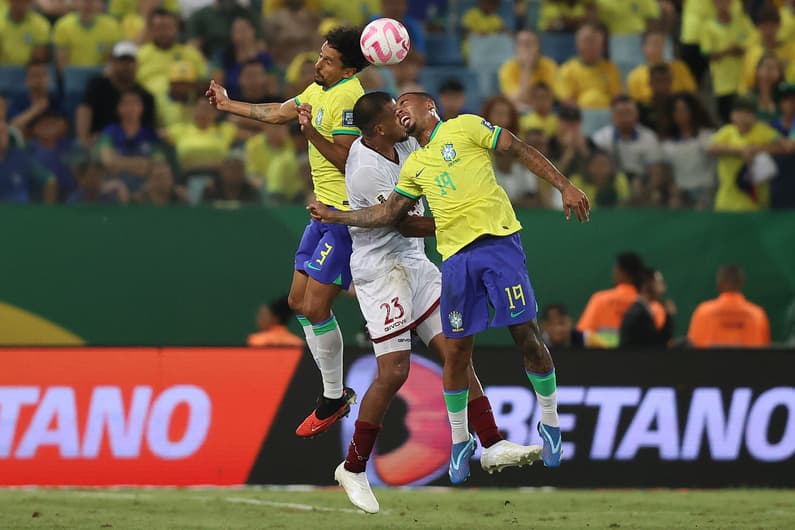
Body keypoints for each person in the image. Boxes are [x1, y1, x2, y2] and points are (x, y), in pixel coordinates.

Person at [309, 91, 590, 478]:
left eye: (406, 104)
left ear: (430, 108)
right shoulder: (414, 164)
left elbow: (519, 148)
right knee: (455, 353)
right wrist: (338, 215)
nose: (401, 110)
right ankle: (463, 443)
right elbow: (393, 215)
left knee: (526, 335)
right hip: (453, 259)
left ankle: (550, 425)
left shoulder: (466, 126)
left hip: (498, 244)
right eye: (396, 108)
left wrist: (565, 186)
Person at [333, 92, 542, 513]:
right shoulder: (366, 171)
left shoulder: (404, 140)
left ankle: (491, 442)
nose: (402, 115)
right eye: (395, 113)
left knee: (455, 351)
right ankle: (353, 467)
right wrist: (463, 217)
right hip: (380, 269)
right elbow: (401, 222)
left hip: (416, 264)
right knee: (394, 371)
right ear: (378, 130)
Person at [206, 26, 370, 437]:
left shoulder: (350, 97)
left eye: (327, 60)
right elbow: (277, 111)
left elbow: (347, 158)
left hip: (346, 217)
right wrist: (228, 105)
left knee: (315, 307)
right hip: (321, 215)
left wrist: (310, 132)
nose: (318, 63)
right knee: (298, 302)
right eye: (320, 55)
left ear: (348, 68)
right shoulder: (320, 90)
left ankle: (335, 395)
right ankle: (334, 392)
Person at [577, 252, 666, 347]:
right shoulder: (654, 307)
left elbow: (583, 334)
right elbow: (659, 342)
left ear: (622, 272)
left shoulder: (599, 300)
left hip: (602, 358)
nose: (613, 273)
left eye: (616, 270)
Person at [687, 265, 770, 348]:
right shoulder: (757, 315)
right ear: (741, 283)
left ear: (719, 283)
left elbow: (693, 348)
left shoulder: (702, 313)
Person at [619, 267, 674, 348]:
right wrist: (669, 317)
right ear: (646, 285)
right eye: (659, 283)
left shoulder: (642, 311)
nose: (663, 289)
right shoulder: (638, 314)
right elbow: (656, 344)